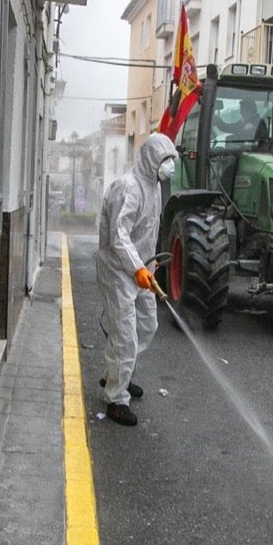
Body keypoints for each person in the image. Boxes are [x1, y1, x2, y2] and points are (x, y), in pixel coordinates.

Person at [97, 132, 178, 427]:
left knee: (147, 325)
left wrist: (150, 261)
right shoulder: (127, 188)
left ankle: (117, 375)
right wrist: (136, 268)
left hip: (142, 270)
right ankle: (115, 400)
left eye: (171, 161)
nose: (169, 166)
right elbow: (119, 235)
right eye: (164, 160)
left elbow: (147, 229)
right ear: (150, 159)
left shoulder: (154, 187)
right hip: (119, 271)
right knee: (125, 335)